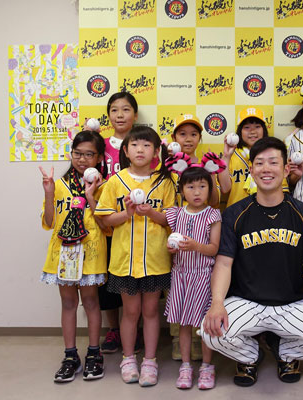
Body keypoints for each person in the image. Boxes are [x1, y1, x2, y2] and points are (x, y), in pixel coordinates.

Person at [201, 137, 303, 387]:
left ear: (286, 169)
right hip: (246, 301)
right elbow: (223, 264)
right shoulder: (235, 213)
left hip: (290, 303)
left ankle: (285, 353)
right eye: (259, 163)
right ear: (251, 170)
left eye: (273, 162)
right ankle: (250, 356)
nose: (266, 169)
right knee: (209, 332)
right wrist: (216, 304)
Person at [95, 126, 175, 387]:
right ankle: (128, 359)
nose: (140, 150)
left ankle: (150, 361)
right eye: (135, 145)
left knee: (151, 311)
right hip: (124, 260)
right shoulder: (115, 181)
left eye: (146, 145)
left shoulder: (164, 182)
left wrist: (150, 213)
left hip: (154, 259)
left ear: (155, 151)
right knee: (130, 312)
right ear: (125, 151)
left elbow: (170, 219)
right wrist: (127, 214)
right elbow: (105, 219)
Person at [39, 130, 108, 382]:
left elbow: (107, 225)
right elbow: (48, 222)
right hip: (63, 254)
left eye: (89, 154)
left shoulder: (105, 186)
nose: (82, 159)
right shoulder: (59, 185)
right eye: (77, 153)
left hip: (90, 253)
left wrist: (90, 196)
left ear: (99, 157)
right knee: (68, 304)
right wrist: (48, 192)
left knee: (91, 303)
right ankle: (70, 356)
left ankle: (94, 354)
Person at [163, 165, 222, 390]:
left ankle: (207, 367)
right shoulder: (176, 213)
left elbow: (214, 248)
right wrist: (172, 249)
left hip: (204, 277)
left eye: (202, 186)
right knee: (184, 324)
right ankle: (186, 366)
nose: (197, 192)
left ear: (209, 189)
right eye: (190, 187)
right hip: (181, 276)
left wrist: (196, 246)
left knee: (206, 325)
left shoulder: (213, 214)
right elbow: (171, 242)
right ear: (182, 190)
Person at [168, 113, 220, 361]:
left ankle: (205, 358)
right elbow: (166, 210)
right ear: (174, 137)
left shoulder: (206, 169)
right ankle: (182, 349)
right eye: (182, 133)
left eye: (193, 133)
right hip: (180, 267)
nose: (188, 138)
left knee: (203, 316)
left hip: (202, 270)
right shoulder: (168, 165)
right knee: (180, 314)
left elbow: (213, 246)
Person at [99, 92, 139, 354]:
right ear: (109, 115)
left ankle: (134, 329)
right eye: (114, 110)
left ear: (135, 115)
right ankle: (115, 329)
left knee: (137, 278)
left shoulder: (143, 142)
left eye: (126, 110)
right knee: (110, 278)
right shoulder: (101, 144)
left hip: (137, 221)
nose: (120, 115)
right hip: (108, 219)